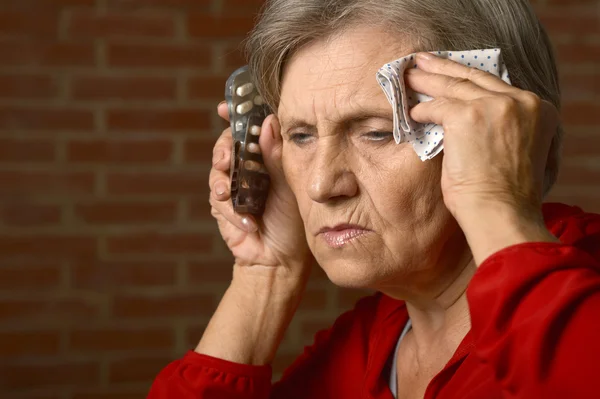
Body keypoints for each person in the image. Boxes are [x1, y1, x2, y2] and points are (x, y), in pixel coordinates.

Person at [149, 0, 600, 398]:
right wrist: (265, 276)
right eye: (301, 136)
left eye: (378, 132)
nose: (321, 185)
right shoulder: (368, 344)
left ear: (503, 129)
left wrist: (495, 205)